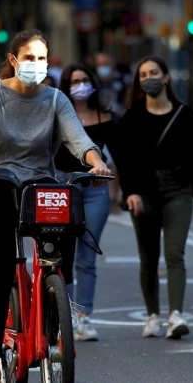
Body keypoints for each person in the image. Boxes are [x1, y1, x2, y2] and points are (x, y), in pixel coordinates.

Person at [0, 30, 112, 383]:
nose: (36, 65)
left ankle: (50, 300)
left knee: (53, 258)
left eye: (42, 58)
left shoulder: (56, 99)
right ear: (13, 61)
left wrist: (95, 161)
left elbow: (79, 140)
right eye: (28, 58)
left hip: (38, 187)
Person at [115, 55, 193, 340]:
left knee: (174, 253)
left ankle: (175, 315)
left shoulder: (186, 116)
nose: (149, 79)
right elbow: (124, 161)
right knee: (148, 257)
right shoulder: (131, 119)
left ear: (167, 77)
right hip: (143, 193)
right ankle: (153, 316)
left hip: (178, 190)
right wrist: (130, 192)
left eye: (154, 73)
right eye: (143, 75)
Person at [54, 64, 117, 342]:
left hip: (93, 190)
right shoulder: (55, 116)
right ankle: (62, 318)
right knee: (61, 257)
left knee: (87, 257)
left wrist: (117, 187)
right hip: (60, 189)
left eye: (84, 80)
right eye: (74, 81)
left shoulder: (106, 117)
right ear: (65, 87)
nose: (80, 85)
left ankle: (84, 318)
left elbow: (117, 157)